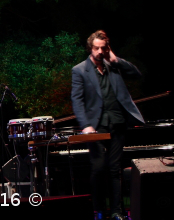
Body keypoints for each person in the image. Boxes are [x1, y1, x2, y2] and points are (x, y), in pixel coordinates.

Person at [71, 30, 144, 220]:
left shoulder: (114, 66)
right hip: (95, 127)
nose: (99, 52)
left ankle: (116, 211)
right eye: (96, 48)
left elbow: (136, 74)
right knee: (98, 167)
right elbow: (77, 101)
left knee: (114, 169)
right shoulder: (79, 70)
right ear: (90, 48)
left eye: (103, 48)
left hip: (117, 122)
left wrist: (115, 58)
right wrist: (86, 125)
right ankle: (97, 209)